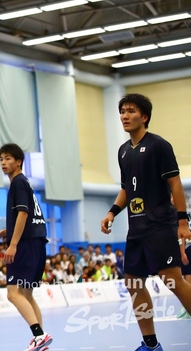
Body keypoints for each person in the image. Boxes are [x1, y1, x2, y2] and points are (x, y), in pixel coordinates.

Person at [100, 94, 191, 350]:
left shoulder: (159, 145)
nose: (125, 116)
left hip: (160, 225)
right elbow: (126, 189)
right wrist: (112, 213)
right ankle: (151, 345)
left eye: (131, 111)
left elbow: (176, 185)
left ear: (144, 116)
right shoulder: (123, 151)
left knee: (172, 280)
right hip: (136, 229)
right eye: (122, 111)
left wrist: (182, 222)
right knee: (133, 282)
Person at [0, 143, 52, 351]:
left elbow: (23, 214)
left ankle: (39, 335)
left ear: (18, 162)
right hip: (37, 243)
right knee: (26, 294)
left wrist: (12, 244)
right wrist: (2, 233)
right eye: (1, 159)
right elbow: (25, 217)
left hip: (25, 245)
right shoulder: (25, 184)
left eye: (8, 158)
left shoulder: (18, 183)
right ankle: (41, 340)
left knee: (13, 293)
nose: (3, 163)